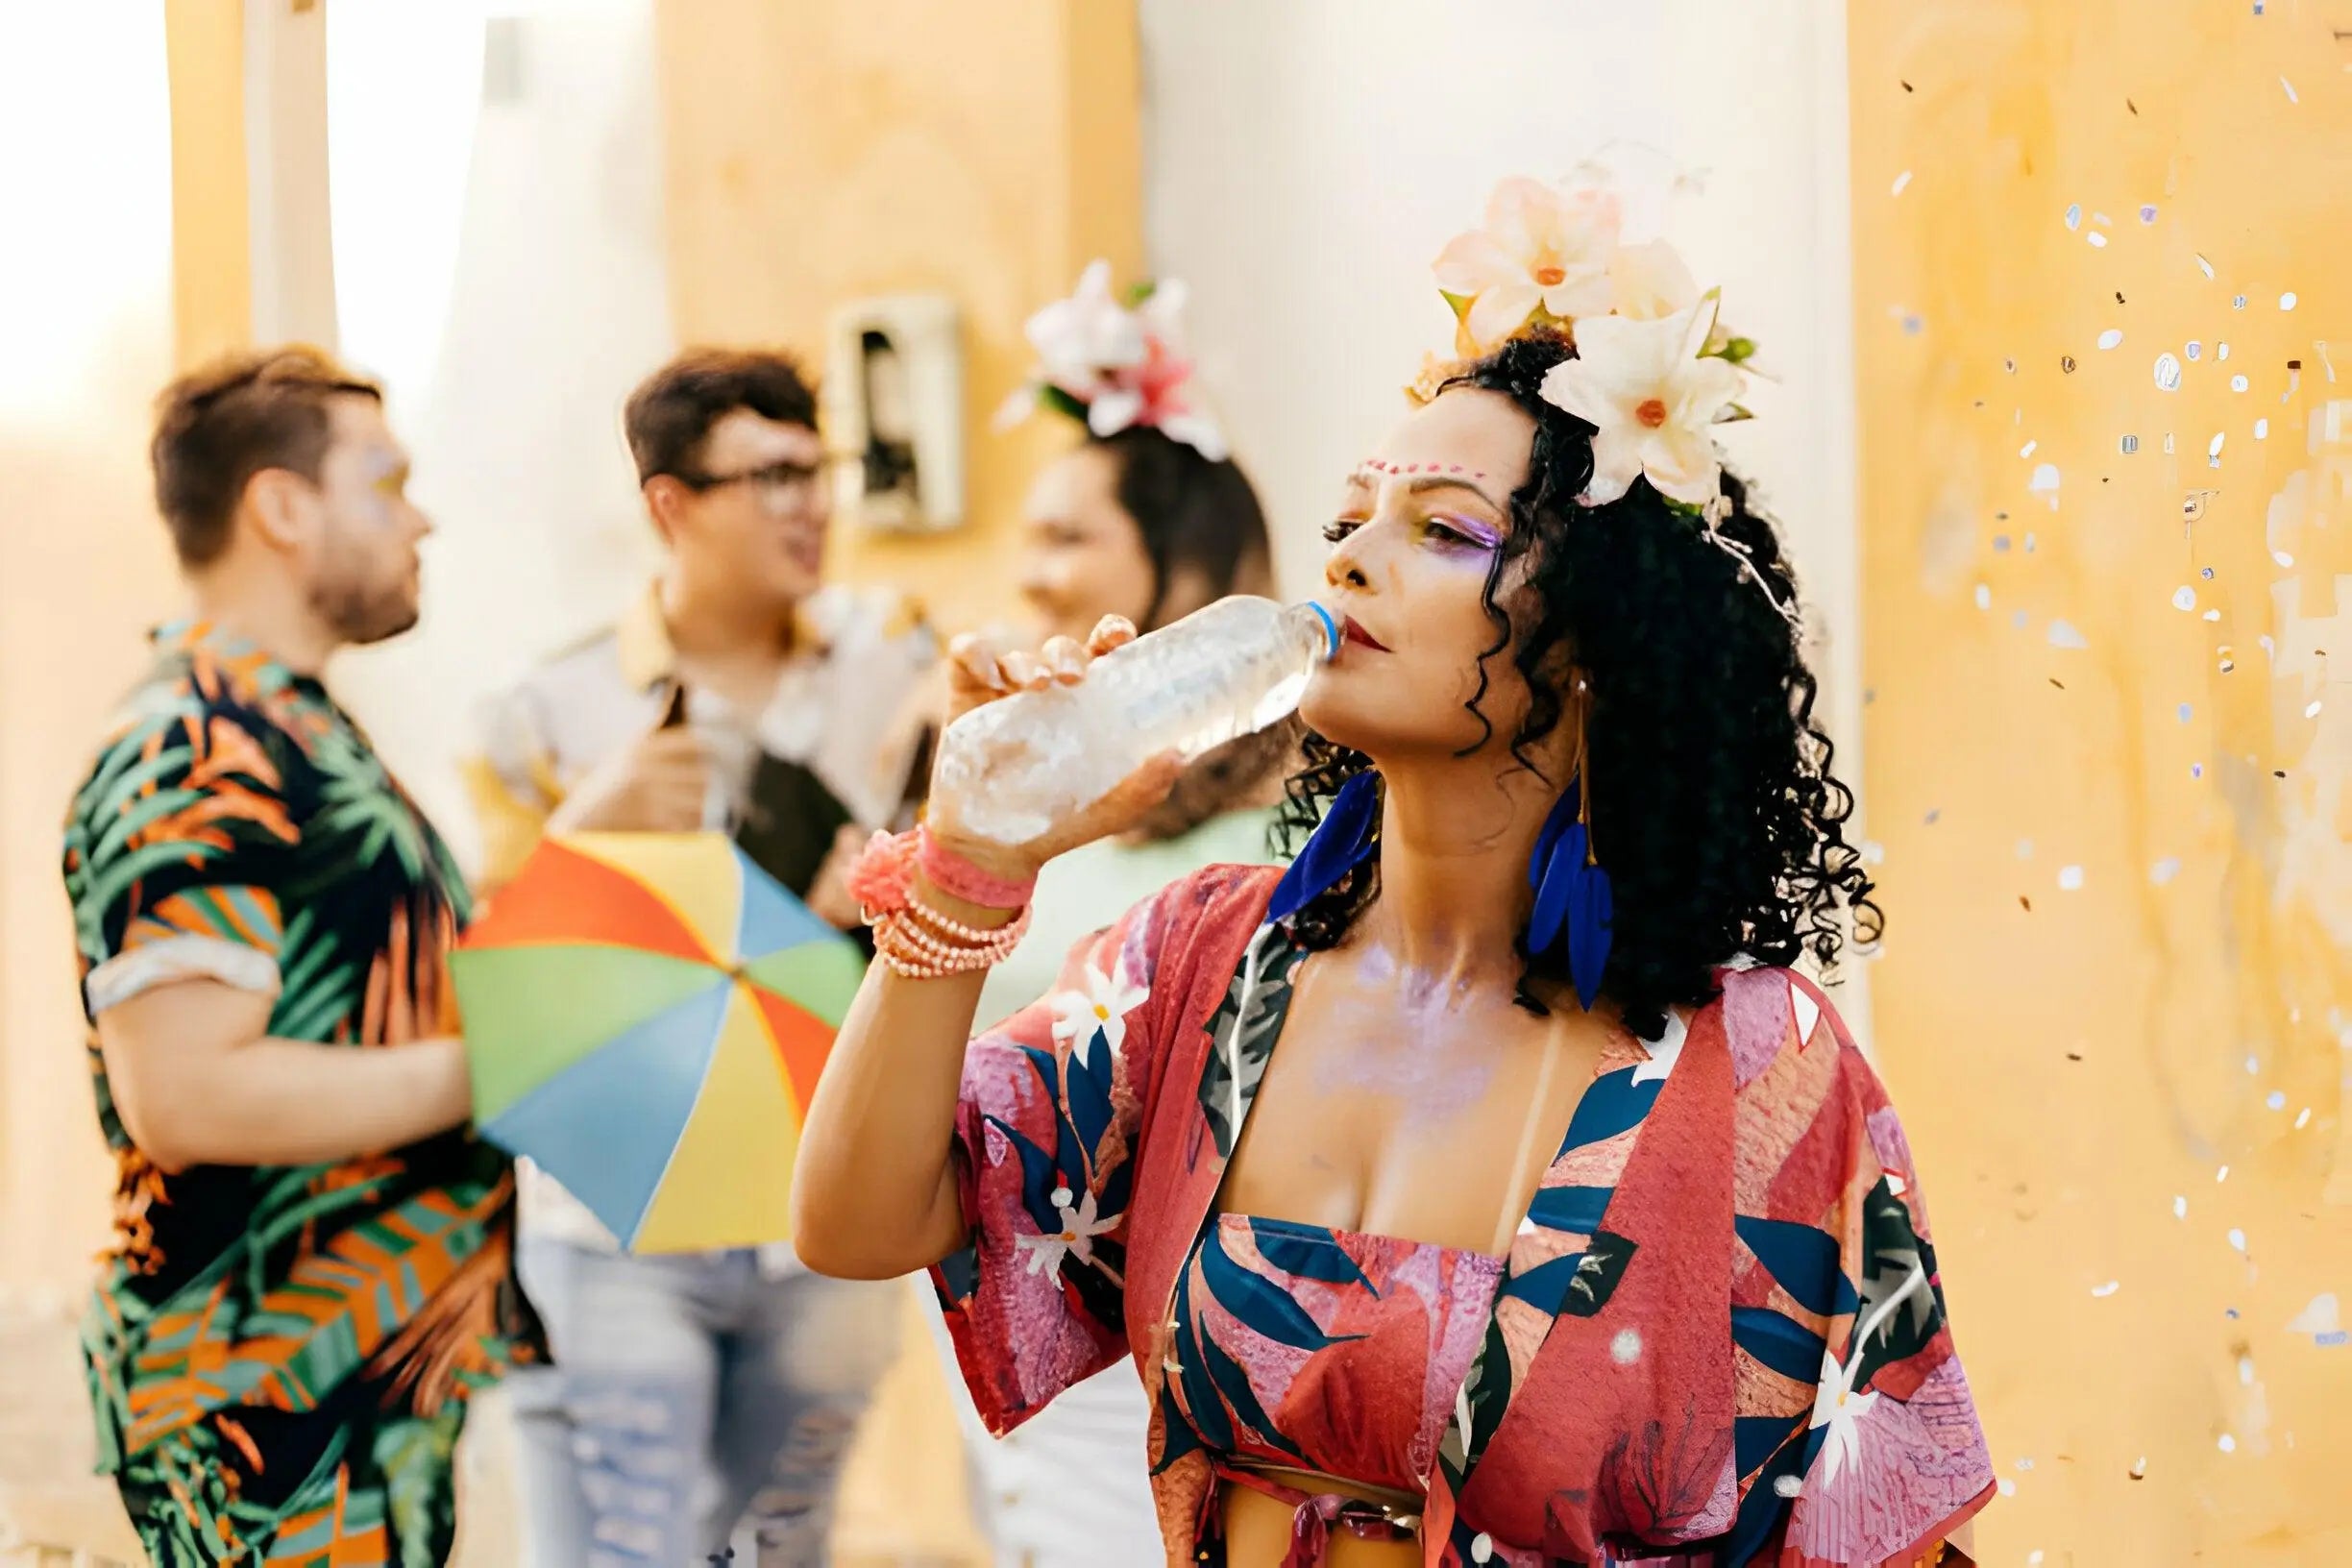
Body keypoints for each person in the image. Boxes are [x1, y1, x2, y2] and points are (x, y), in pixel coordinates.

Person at [792, 175, 1994, 1567]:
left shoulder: (1758, 1066)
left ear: (1600, 643)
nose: (1354, 560)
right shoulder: (1200, 961)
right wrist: (970, 862)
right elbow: (862, 1220)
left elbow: (1878, 1531)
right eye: (1352, 520)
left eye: (1443, 529)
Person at [60, 346, 537, 1565]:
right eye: (386, 482)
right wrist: (508, 1065)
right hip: (267, 1396)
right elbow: (188, 1093)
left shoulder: (296, 731)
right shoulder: (194, 746)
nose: (419, 516)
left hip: (358, 1383)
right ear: (281, 505)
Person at [464, 347, 933, 1566]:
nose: (810, 502)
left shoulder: (895, 674)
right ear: (671, 504)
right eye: (769, 474)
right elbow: (495, 964)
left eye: (815, 467)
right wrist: (592, 826)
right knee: (633, 1546)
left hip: (818, 1193)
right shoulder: (550, 708)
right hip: (620, 1209)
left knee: (786, 1542)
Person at [930, 265, 1292, 1565]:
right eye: (1031, 534)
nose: (1031, 574)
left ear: (1179, 568)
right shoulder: (1029, 788)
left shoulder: (1286, 833)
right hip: (994, 1305)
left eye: (1069, 538)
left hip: (1161, 1331)